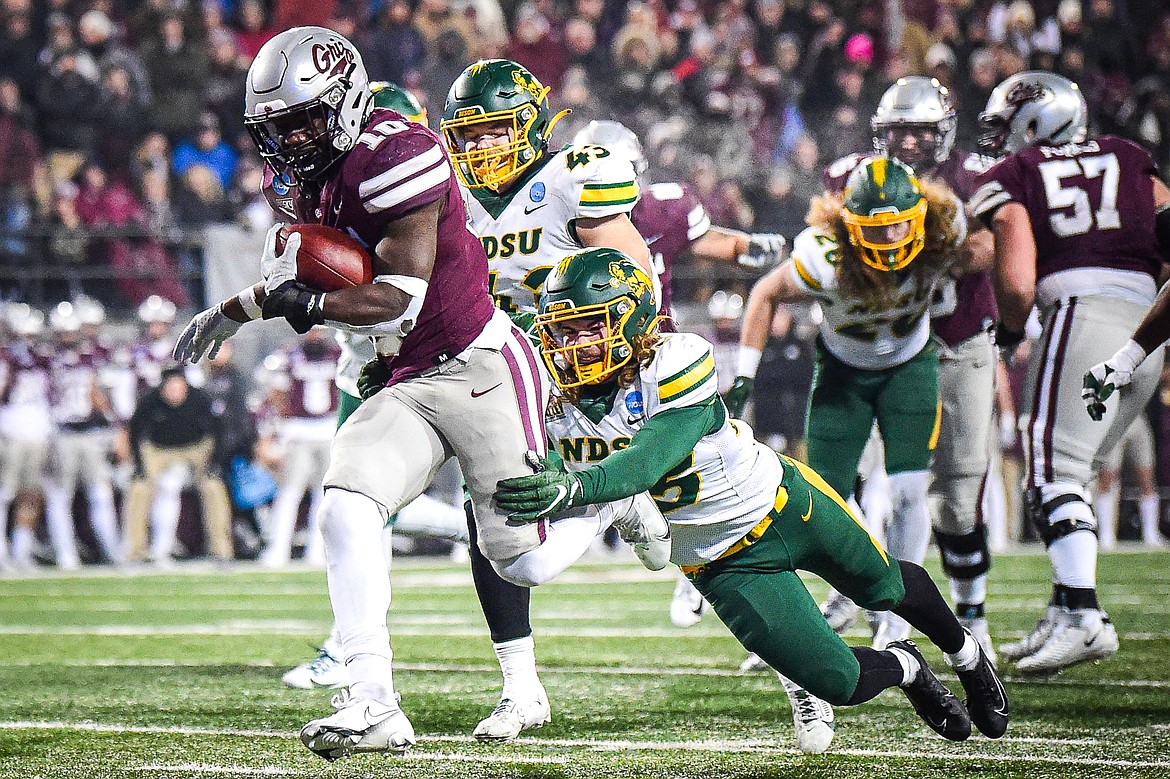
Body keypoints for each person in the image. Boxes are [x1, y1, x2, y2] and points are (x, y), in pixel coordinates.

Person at [172, 29, 664, 761]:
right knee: (346, 502)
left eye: (303, 119)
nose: (291, 138)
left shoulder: (400, 153)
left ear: (342, 101)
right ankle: (372, 701)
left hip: (481, 364)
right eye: (277, 127)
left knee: (517, 561)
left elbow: (397, 299)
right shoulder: (317, 171)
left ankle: (613, 503)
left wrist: (303, 305)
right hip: (405, 377)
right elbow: (310, 275)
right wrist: (233, 310)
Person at [493, 248, 1008, 745]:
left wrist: (577, 486)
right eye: (562, 329)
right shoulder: (544, 394)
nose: (573, 344)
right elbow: (554, 471)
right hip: (717, 561)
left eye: (591, 325)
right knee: (840, 681)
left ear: (632, 321)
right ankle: (908, 667)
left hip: (782, 503)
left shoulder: (677, 357)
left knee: (886, 585)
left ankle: (967, 656)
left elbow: (648, 458)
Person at [434, 58, 669, 742]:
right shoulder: (451, 196)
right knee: (489, 522)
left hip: (595, 378)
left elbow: (639, 283)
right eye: (468, 135)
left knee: (706, 521)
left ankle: (800, 662)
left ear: (532, 123)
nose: (480, 148)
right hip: (506, 379)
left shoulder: (572, 176)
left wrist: (621, 372)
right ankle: (520, 687)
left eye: (495, 129)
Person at [728, 157, 971, 650]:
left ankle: (900, 617)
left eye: (901, 224)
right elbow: (763, 294)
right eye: (875, 229)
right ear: (849, 226)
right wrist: (742, 377)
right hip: (843, 371)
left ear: (921, 216)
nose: (890, 239)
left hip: (908, 368)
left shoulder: (944, 232)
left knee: (907, 492)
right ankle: (857, 590)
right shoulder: (825, 254)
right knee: (831, 498)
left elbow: (987, 254)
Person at [973, 70, 1170, 674]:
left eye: (1008, 124)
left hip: (1081, 314)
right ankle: (1064, 610)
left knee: (1050, 468)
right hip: (1146, 324)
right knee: (1076, 476)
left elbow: (1018, 264)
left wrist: (1010, 327)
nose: (1003, 139)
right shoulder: (1129, 155)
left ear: (1036, 121)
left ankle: (1085, 617)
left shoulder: (1018, 173)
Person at [795, 77, 1000, 657]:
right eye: (899, 130)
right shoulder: (851, 177)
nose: (909, 142)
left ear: (944, 132)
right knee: (856, 484)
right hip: (868, 349)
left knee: (956, 491)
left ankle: (970, 614)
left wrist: (927, 243)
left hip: (952, 337)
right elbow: (821, 245)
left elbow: (984, 250)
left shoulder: (969, 179)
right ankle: (862, 594)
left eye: (921, 130)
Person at [570, 120, 786, 321]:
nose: (608, 188)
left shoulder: (662, 210)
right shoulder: (557, 225)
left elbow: (706, 242)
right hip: (585, 340)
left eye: (616, 176)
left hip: (653, 339)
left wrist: (741, 246)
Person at [124, 364, 233, 565]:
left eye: (178, 386)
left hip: (195, 448)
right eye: (170, 387)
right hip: (160, 450)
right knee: (139, 489)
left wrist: (214, 463)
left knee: (213, 487)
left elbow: (218, 431)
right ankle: (135, 551)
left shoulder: (199, 399)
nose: (174, 391)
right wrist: (140, 465)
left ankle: (221, 550)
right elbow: (135, 432)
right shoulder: (149, 402)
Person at [44, 301, 122, 569]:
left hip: (90, 432)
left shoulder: (94, 355)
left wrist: (114, 425)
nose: (67, 336)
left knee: (100, 493)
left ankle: (111, 550)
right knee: (60, 495)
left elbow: (104, 396)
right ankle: (66, 553)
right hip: (61, 432)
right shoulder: (44, 358)